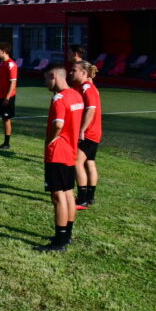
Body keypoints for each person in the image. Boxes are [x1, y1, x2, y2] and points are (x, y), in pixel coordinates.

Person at [34, 64, 84, 252]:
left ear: (54, 76)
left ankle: (60, 242)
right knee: (68, 192)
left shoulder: (59, 99)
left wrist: (49, 141)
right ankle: (66, 234)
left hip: (58, 153)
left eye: (46, 78)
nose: (45, 82)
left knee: (58, 196)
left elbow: (58, 124)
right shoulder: (76, 95)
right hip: (70, 151)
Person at [71, 61, 102, 211]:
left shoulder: (87, 88)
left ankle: (82, 199)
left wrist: (81, 130)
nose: (71, 73)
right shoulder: (85, 87)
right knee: (89, 162)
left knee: (77, 162)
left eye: (74, 70)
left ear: (84, 73)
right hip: (94, 132)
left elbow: (91, 110)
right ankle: (90, 197)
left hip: (88, 133)